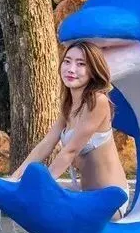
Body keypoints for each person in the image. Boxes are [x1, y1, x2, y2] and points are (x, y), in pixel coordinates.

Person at [7, 41, 130, 220]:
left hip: (110, 201)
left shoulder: (98, 101)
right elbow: (46, 144)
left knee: (48, 212)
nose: (71, 69)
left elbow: (70, 151)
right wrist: (15, 177)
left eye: (81, 64)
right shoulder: (69, 104)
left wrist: (44, 187)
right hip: (85, 196)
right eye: (67, 61)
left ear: (93, 70)